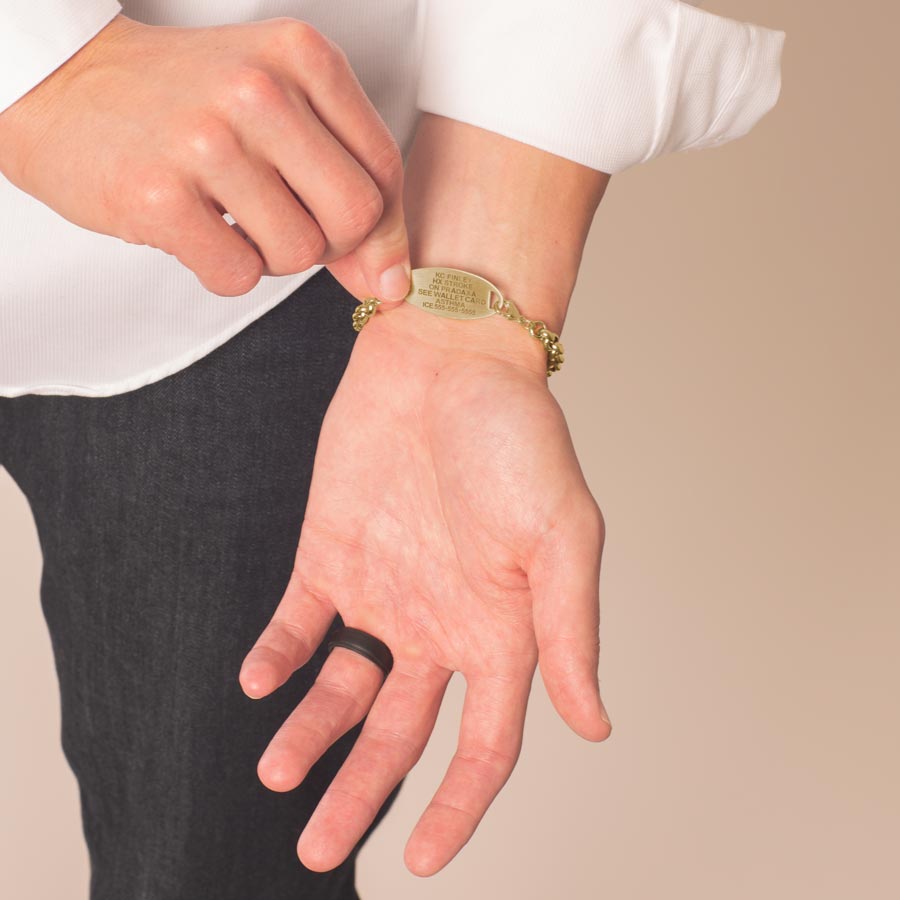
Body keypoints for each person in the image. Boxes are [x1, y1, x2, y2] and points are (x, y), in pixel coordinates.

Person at [0, 2, 785, 898]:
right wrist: (37, 64)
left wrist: (474, 311)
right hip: (236, 195)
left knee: (218, 869)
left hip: (251, 250)